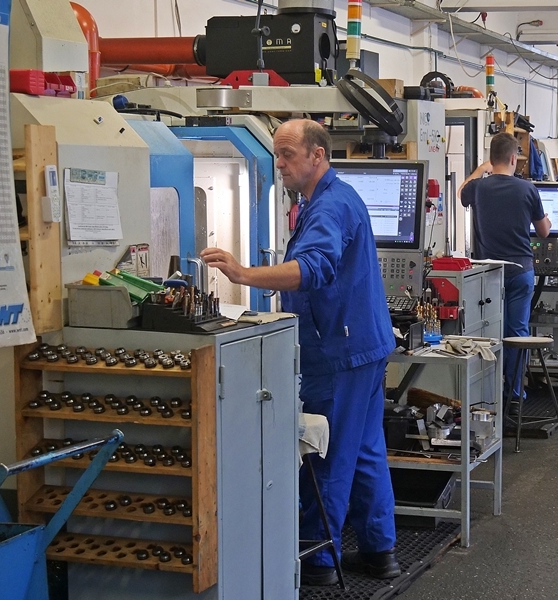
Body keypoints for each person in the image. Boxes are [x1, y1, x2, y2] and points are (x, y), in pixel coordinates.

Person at [200, 119, 399, 587]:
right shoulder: (327, 199)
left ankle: (319, 563)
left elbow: (313, 268)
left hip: (339, 353)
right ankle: (380, 552)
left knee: (326, 455)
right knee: (364, 451)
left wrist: (244, 275)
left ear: (317, 155)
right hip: (363, 347)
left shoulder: (330, 205)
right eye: (277, 154)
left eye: (288, 154)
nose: (280, 163)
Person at [459, 132, 551, 401]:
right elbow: (544, 231)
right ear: (513, 158)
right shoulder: (527, 189)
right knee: (517, 332)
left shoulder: (479, 188)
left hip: (488, 273)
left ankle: (487, 394)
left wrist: (480, 169)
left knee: (487, 330)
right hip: (520, 270)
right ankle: (514, 393)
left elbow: (461, 191)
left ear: (491, 159)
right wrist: (546, 220)